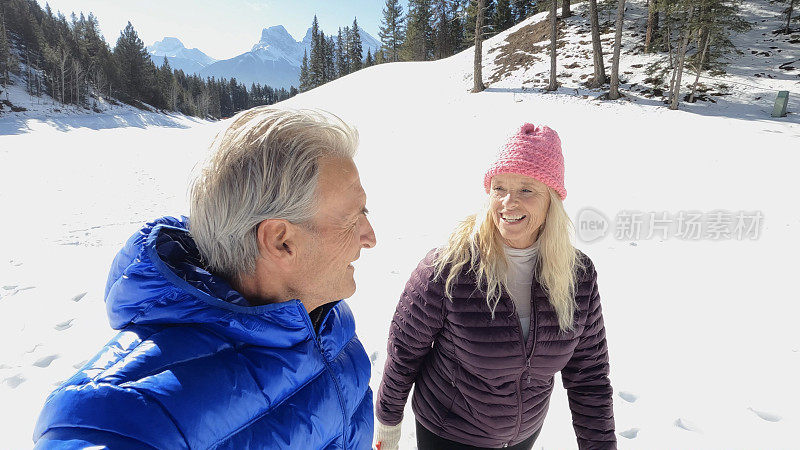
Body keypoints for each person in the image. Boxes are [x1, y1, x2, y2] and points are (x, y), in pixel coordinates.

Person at [33, 108, 377, 449]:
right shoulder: (123, 419)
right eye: (353, 218)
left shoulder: (327, 318)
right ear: (280, 241)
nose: (370, 236)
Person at [374, 124, 616, 450]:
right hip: (449, 432)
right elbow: (404, 353)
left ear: (552, 202)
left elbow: (589, 377)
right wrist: (388, 424)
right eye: (499, 188)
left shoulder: (578, 275)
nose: (508, 203)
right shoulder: (450, 267)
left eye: (527, 190)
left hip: (523, 433)